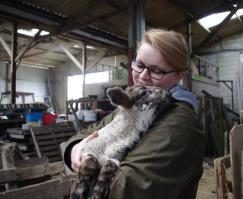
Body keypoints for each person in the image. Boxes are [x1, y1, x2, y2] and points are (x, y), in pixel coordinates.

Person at [62, 29, 204, 199]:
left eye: (156, 71)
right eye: (140, 64)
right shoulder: (137, 107)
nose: (142, 76)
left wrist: (89, 163)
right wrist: (76, 148)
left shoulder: (180, 120)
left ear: (180, 75)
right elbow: (91, 132)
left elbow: (126, 187)